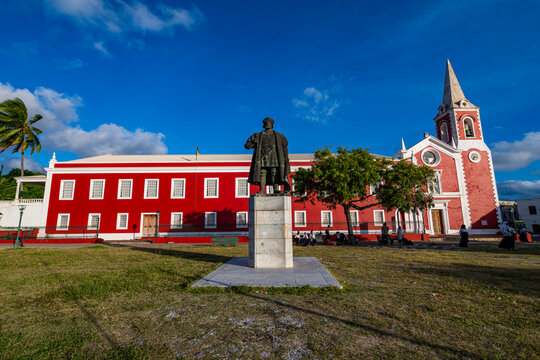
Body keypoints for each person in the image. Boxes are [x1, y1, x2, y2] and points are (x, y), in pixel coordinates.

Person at [244, 117, 291, 195]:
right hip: (261, 157)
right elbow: (247, 145)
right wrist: (253, 142)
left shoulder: (279, 136)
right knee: (262, 172)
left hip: (275, 157)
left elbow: (285, 149)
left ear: (272, 124)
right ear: (264, 124)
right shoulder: (257, 135)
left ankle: (276, 189)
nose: (268, 124)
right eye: (266, 123)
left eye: (269, 123)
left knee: (274, 172)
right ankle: (262, 191)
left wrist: (286, 159)